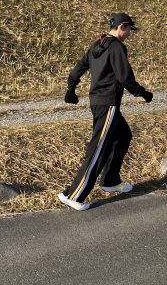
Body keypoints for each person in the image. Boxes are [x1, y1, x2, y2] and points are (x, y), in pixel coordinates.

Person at [59, 13, 153, 211]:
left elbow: (80, 66)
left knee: (123, 136)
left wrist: (71, 87)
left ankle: (110, 180)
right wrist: (142, 93)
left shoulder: (98, 44)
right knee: (98, 148)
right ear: (122, 27)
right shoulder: (117, 47)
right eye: (128, 30)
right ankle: (74, 194)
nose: (129, 34)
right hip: (107, 103)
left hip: (99, 102)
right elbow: (125, 76)